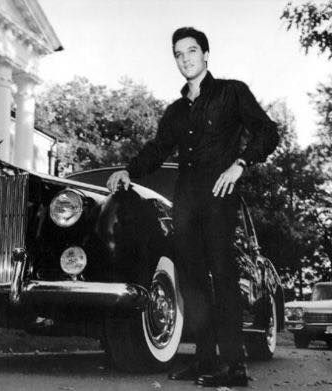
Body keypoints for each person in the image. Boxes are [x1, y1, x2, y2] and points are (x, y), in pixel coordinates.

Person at [106, 27, 279, 387]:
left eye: (191, 51)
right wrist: (127, 169)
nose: (185, 59)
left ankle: (234, 365)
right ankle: (204, 360)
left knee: (222, 273)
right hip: (186, 198)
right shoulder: (175, 111)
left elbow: (267, 131)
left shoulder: (232, 92)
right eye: (178, 54)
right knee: (192, 281)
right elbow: (156, 151)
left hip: (218, 193)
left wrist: (241, 164)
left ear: (205, 54)